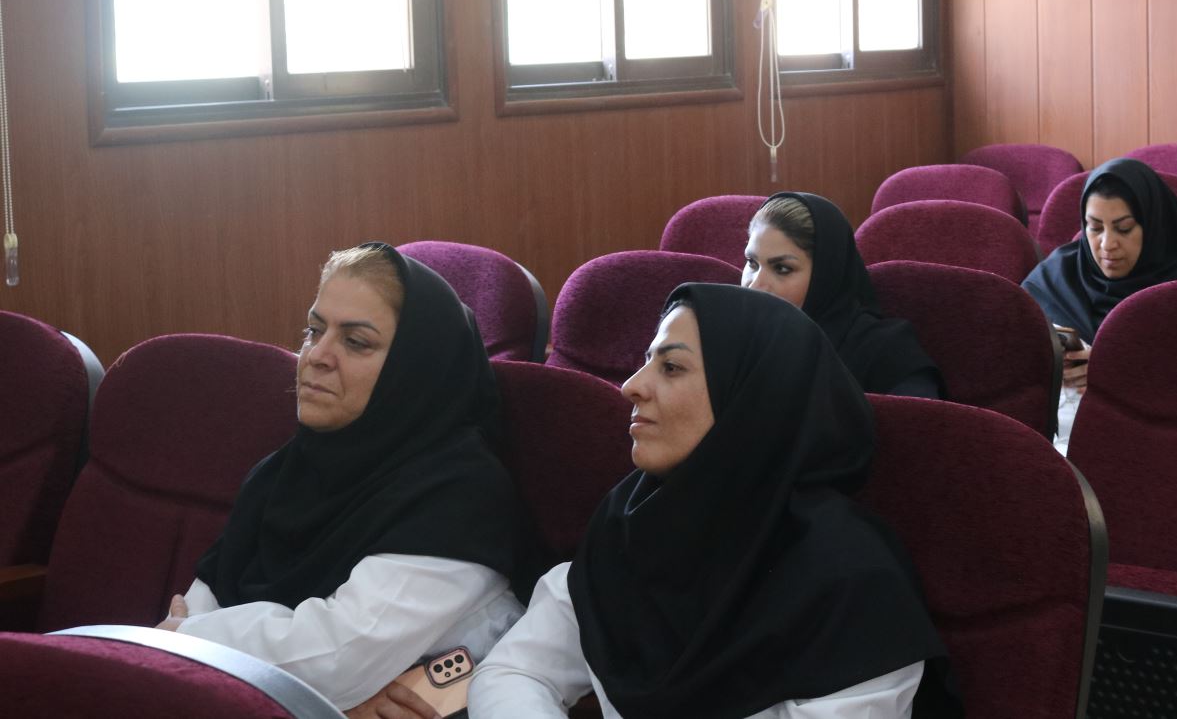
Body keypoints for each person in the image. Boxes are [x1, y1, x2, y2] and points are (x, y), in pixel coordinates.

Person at [469, 283, 961, 719]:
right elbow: (513, 672)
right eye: (646, 362)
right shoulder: (633, 520)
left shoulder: (853, 582)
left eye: (671, 367)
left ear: (751, 395)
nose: (631, 386)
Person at [158, 244, 529, 719]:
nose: (317, 355)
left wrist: (189, 643)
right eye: (314, 331)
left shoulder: (460, 495)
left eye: (355, 342)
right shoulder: (283, 470)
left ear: (415, 366)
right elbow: (193, 611)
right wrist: (190, 645)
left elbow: (335, 657)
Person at [1023, 159, 1177, 447]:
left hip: (1159, 444)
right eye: (1094, 228)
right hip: (1057, 440)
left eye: (1124, 229)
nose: (1107, 244)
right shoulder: (1054, 279)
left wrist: (1114, 370)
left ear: (1153, 226)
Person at [741, 192, 943, 398]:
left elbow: (920, 417)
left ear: (825, 275)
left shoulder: (886, 351)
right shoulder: (737, 340)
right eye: (752, 263)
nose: (755, 286)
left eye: (782, 268)